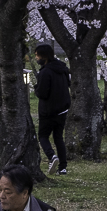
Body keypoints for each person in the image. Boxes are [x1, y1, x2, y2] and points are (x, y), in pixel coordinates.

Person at [33, 44, 70, 175]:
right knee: (58, 137)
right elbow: (68, 84)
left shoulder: (45, 72)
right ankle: (63, 167)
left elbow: (42, 93)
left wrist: (36, 88)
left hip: (48, 110)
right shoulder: (63, 69)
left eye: (37, 55)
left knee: (43, 136)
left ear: (44, 56)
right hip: (62, 109)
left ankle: (51, 156)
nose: (36, 58)